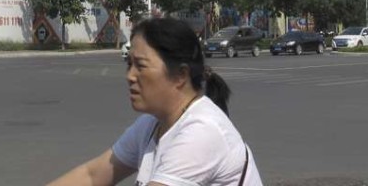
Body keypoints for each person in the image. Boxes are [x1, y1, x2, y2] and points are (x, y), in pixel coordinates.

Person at [46, 16, 262, 186]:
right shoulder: (151, 124)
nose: (130, 76)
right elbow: (92, 176)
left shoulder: (202, 131)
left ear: (180, 75)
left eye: (140, 66)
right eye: (129, 64)